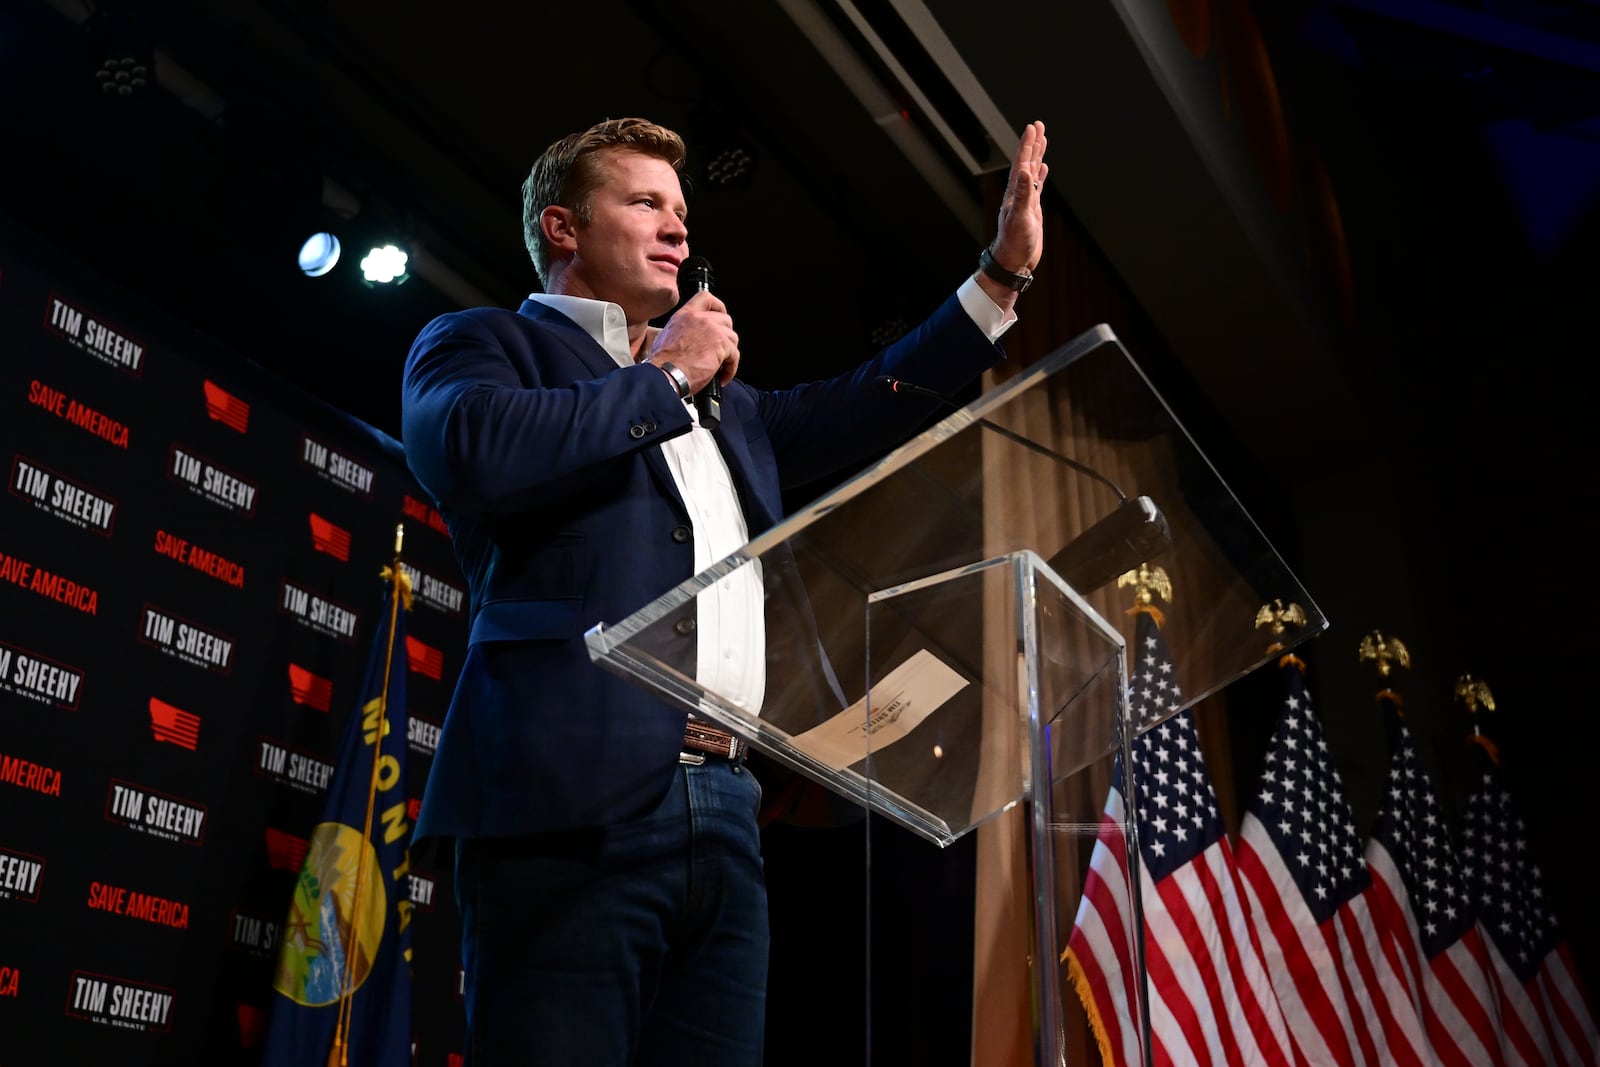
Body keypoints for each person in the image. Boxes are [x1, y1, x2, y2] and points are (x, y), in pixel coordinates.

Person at [400, 115, 1048, 1066]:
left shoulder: (726, 405)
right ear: (563, 229)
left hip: (730, 813)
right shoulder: (487, 345)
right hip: (568, 803)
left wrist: (1000, 275)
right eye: (645, 203)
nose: (677, 229)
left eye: (682, 211)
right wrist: (666, 375)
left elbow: (873, 398)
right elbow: (468, 446)